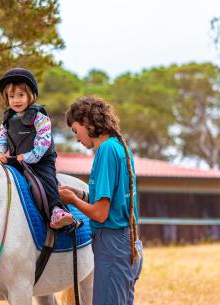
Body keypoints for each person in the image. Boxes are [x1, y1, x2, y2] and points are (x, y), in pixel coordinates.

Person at [59, 95, 143, 305]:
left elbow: (100, 214)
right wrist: (83, 196)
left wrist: (72, 200)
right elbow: (112, 202)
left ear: (87, 122)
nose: (77, 138)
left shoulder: (105, 151)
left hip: (112, 245)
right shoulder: (119, 147)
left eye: (75, 130)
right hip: (128, 243)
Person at [0, 67, 73, 229]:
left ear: (31, 96)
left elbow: (43, 141)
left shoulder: (39, 116)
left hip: (41, 159)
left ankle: (56, 209)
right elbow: (1, 138)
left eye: (21, 95)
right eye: (11, 96)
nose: (16, 100)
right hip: (18, 160)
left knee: (46, 180)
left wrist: (29, 156)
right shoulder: (7, 119)